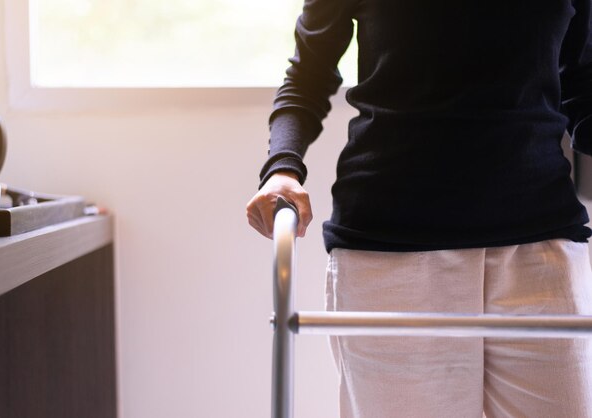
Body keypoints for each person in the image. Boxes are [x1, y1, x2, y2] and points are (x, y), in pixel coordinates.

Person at [246, 1, 592, 416]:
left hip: (540, 245)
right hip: (389, 252)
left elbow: (583, 83)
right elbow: (307, 76)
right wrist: (283, 167)